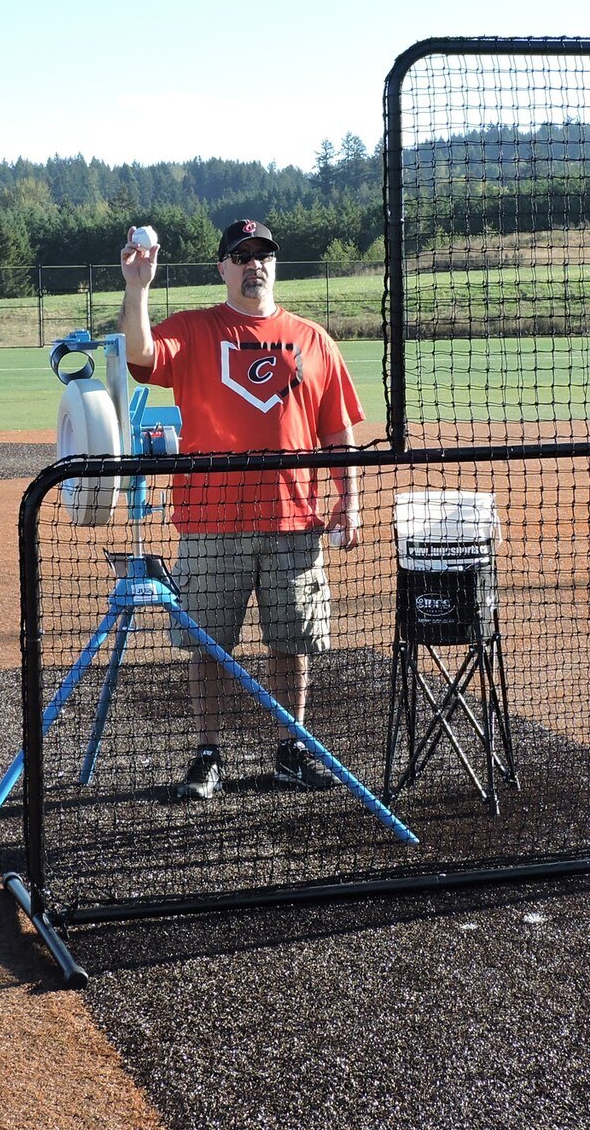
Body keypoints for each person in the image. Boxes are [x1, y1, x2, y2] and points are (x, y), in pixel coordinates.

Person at [119, 219, 363, 801]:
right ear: (222, 268)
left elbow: (338, 431)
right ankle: (207, 756)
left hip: (294, 519)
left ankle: (291, 748)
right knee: (207, 643)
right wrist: (138, 287)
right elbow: (141, 355)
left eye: (263, 254)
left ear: (274, 263)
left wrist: (349, 500)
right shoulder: (195, 329)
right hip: (211, 520)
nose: (255, 264)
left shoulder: (313, 340)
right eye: (241, 255)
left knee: (293, 640)